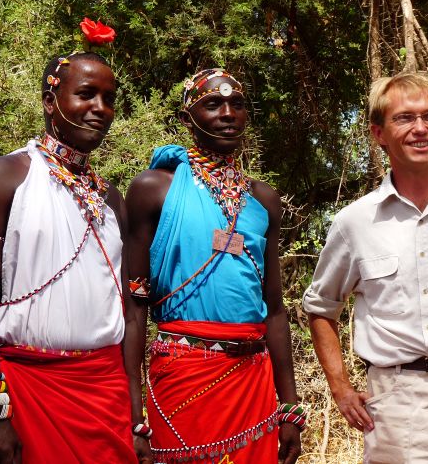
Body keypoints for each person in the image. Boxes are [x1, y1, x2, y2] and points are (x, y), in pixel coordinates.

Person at [0, 22, 151, 463]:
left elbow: (128, 312)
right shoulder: (5, 178)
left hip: (106, 394)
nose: (100, 108)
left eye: (109, 99)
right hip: (26, 390)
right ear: (51, 101)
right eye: (86, 94)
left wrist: (135, 416)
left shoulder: (111, 199)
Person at [303, 72, 428, 463]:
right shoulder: (355, 223)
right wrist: (341, 389)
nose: (420, 128)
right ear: (379, 133)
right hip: (396, 406)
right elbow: (321, 308)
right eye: (405, 118)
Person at [125, 68, 303, 464]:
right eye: (212, 104)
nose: (227, 113)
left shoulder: (263, 199)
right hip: (182, 378)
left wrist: (289, 406)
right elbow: (134, 308)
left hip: (253, 384)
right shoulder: (154, 189)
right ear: (187, 118)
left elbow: (275, 310)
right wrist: (133, 414)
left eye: (237, 104)